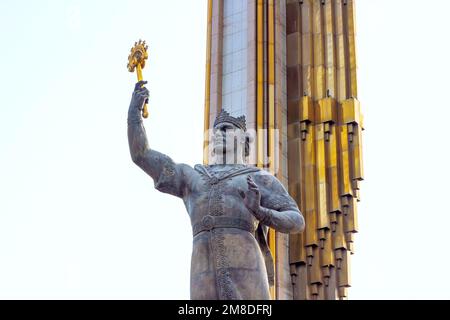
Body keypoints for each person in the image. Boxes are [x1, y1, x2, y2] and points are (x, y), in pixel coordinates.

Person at [127, 81, 304, 299]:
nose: (218, 134)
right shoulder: (193, 177)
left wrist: (261, 211)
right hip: (202, 271)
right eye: (215, 131)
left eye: (226, 129)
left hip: (246, 269)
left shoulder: (258, 178)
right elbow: (142, 155)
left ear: (243, 139)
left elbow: (296, 220)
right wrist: (134, 113)